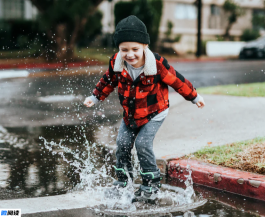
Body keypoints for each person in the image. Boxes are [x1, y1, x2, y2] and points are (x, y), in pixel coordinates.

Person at [84, 15, 205, 201]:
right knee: (122, 145)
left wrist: (194, 97)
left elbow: (177, 80)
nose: (130, 54)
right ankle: (123, 182)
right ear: (118, 48)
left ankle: (151, 184)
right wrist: (95, 97)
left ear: (144, 47)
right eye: (124, 49)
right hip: (130, 115)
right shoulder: (116, 62)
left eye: (135, 49)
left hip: (155, 113)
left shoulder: (156, 64)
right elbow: (108, 81)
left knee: (142, 144)